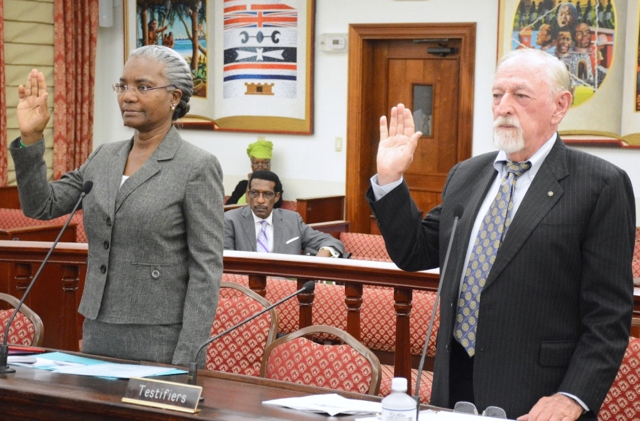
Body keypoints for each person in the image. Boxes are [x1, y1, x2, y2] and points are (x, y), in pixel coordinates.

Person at [367, 48, 634, 420]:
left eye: (520, 95)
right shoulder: (467, 175)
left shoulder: (600, 184)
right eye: (497, 95)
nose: (504, 106)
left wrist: (573, 396)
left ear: (560, 106)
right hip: (454, 385)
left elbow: (608, 315)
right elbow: (415, 252)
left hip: (539, 395)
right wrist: (391, 179)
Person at [11, 45, 224, 367]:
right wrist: (31, 139)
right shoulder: (104, 156)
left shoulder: (196, 166)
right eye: (122, 85)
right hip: (98, 326)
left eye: (143, 86)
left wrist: (189, 356)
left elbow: (206, 269)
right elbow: (42, 206)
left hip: (160, 336)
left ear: (175, 98)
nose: (128, 96)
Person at [225, 170, 345, 257]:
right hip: (245, 287)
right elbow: (226, 261)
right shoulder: (231, 220)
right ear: (248, 194)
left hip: (286, 286)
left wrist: (324, 254)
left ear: (277, 197)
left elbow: (331, 241)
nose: (260, 200)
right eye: (255, 193)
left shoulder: (292, 220)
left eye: (267, 194)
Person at [226, 139, 283, 208]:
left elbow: (272, 208)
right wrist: (250, 182)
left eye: (265, 163)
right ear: (251, 165)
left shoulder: (275, 185)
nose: (260, 167)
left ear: (270, 164)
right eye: (256, 163)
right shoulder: (242, 185)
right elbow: (228, 207)